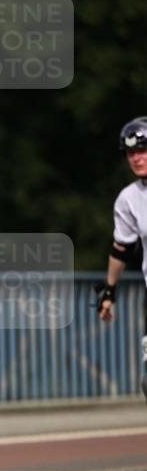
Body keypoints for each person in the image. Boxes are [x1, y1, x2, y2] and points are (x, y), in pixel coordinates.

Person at [96, 116, 147, 400]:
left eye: (142, 150)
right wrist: (109, 291)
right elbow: (121, 249)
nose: (136, 158)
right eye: (131, 152)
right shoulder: (129, 199)